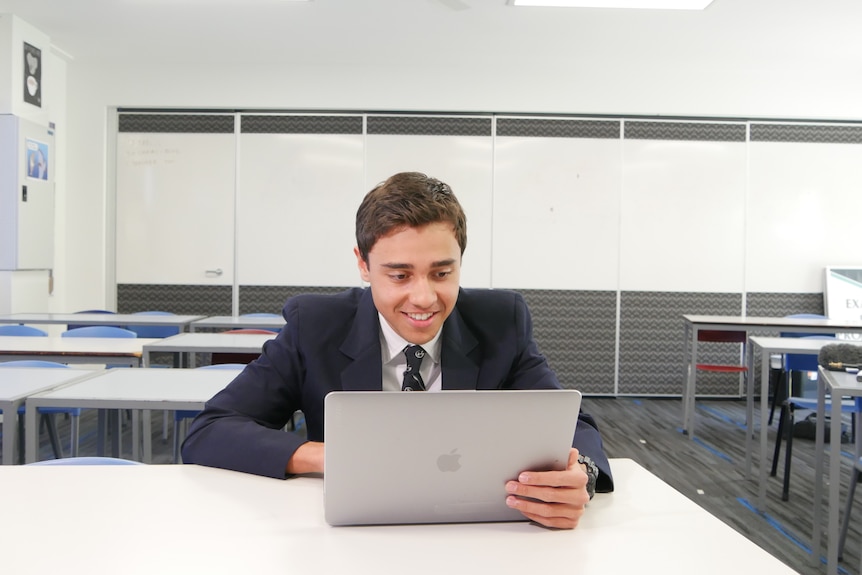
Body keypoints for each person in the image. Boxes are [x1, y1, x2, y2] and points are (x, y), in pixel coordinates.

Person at [182, 171, 614, 529]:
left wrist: (581, 476)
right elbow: (211, 430)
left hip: (477, 533)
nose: (424, 298)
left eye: (442, 272)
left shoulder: (502, 320)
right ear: (363, 265)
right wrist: (330, 456)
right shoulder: (315, 326)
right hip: (349, 537)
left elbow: (572, 423)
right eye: (400, 275)